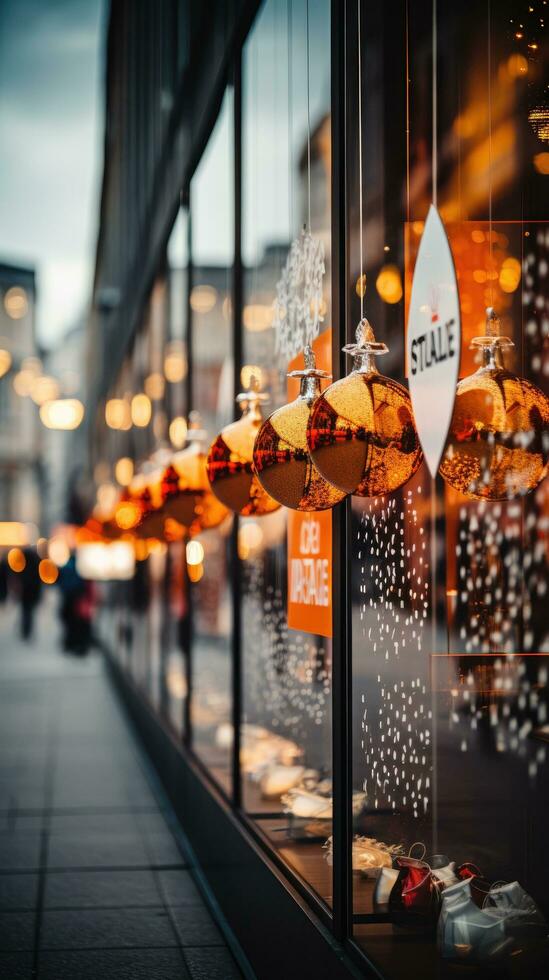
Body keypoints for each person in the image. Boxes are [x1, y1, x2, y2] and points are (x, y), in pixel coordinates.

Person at [18, 548, 42, 640]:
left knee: (26, 612)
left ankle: (25, 631)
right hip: (32, 594)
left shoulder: (24, 567)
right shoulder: (36, 565)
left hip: (26, 594)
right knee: (30, 613)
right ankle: (27, 630)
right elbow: (38, 583)